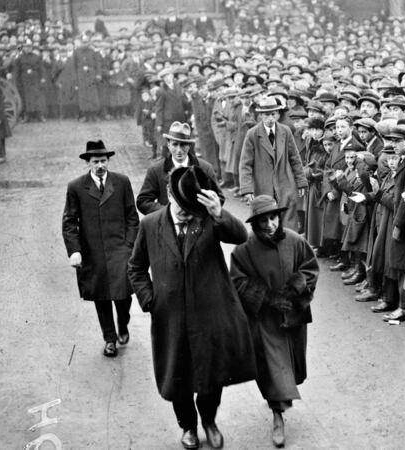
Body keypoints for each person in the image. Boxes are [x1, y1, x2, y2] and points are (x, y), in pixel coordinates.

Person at [128, 166, 256, 449]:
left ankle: (209, 421)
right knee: (179, 376)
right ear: (170, 196)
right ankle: (188, 426)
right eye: (182, 207)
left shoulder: (207, 219)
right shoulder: (150, 224)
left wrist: (218, 213)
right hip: (170, 317)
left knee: (212, 375)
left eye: (192, 209)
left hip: (210, 314)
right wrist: (150, 299)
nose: (187, 213)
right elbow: (136, 267)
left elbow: (241, 236)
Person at [230, 195, 319, 448]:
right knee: (272, 368)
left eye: (273, 218)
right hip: (264, 320)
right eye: (263, 220)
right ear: (254, 223)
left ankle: (280, 399)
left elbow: (310, 269)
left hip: (293, 315)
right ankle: (277, 416)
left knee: (292, 367)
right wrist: (267, 297)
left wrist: (293, 291)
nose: (269, 224)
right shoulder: (244, 249)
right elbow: (238, 281)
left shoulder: (295, 240)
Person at [61, 140, 139, 357]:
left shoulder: (122, 182)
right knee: (102, 297)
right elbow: (69, 221)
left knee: (124, 296)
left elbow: (132, 217)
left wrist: (130, 245)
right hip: (93, 252)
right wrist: (74, 250)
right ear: (88, 163)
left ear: (108, 161)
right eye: (95, 161)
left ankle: (123, 324)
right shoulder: (76, 187)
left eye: (103, 161)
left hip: (120, 250)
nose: (100, 166)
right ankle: (110, 339)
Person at [239, 97, 308, 230]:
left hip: (285, 183)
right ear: (260, 115)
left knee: (288, 221)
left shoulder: (285, 131)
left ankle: (288, 246)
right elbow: (245, 164)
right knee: (266, 221)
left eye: (273, 114)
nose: (270, 118)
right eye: (266, 114)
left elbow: (295, 158)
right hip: (263, 185)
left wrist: (301, 182)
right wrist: (247, 189)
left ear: (277, 114)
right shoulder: (252, 134)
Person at [136, 121, 221, 216]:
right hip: (168, 226)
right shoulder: (156, 170)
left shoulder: (205, 168)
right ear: (168, 144)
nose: (179, 150)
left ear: (189, 146)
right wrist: (168, 213)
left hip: (197, 224)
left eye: (183, 145)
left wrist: (197, 212)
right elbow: (143, 201)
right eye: (175, 144)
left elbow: (219, 198)